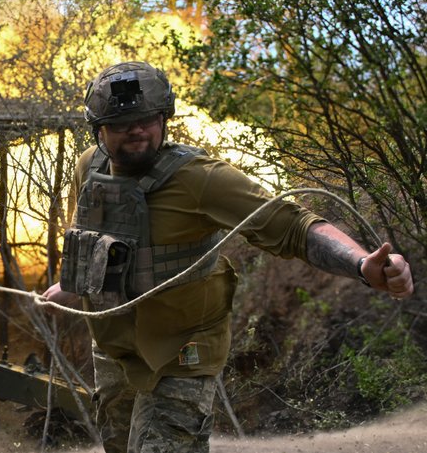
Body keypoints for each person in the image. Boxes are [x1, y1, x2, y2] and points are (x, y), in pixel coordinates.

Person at [41, 61, 415, 453]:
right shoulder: (89, 169)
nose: (137, 129)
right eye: (121, 123)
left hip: (182, 352)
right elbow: (96, 243)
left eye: (148, 118)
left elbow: (294, 226)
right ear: (98, 128)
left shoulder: (200, 179)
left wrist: (360, 264)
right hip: (116, 349)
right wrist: (70, 287)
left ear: (164, 117)